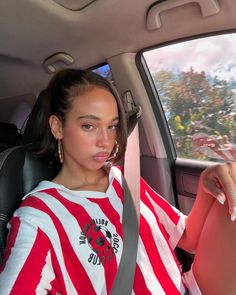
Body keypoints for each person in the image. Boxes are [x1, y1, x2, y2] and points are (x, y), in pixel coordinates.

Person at [0, 68, 236, 295]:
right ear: (58, 127)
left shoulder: (124, 180)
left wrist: (206, 186)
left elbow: (187, 239)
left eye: (112, 126)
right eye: (89, 126)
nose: (106, 141)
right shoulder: (38, 217)